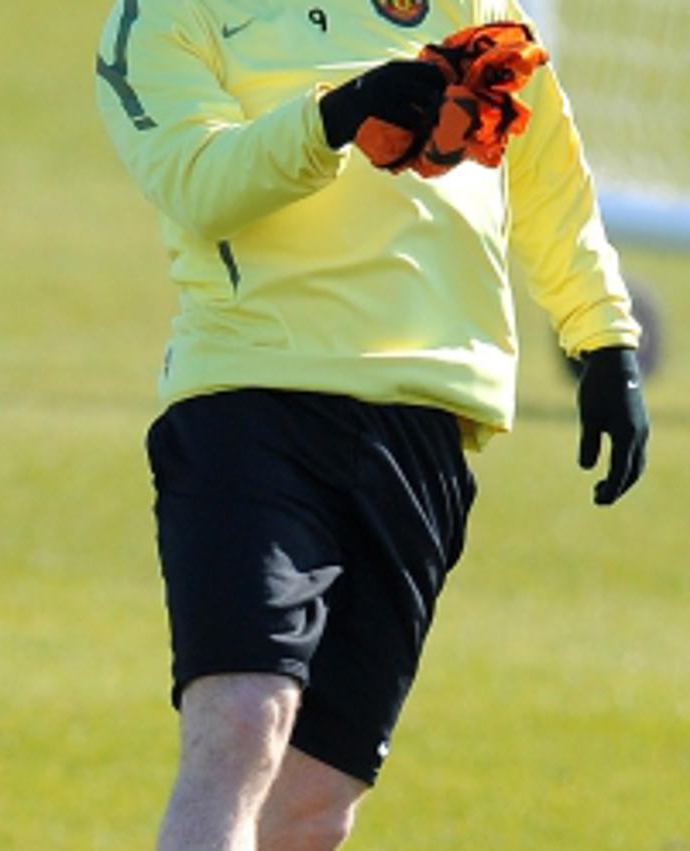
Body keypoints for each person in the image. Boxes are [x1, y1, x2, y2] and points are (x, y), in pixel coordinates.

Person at [95, 1, 648, 848]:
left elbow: (546, 174)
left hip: (427, 419)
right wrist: (337, 116)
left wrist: (601, 334)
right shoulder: (169, 15)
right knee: (243, 718)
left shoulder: (475, 7)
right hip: (253, 397)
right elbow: (197, 185)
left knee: (315, 809)